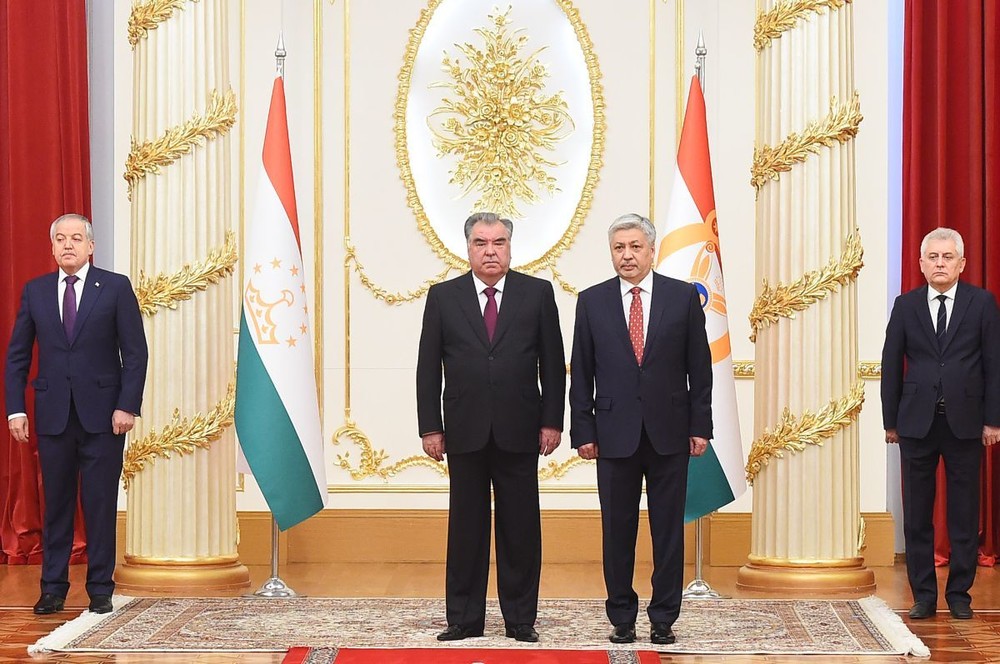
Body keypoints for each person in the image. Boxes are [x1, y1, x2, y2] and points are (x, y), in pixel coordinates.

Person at [416, 211, 565, 643]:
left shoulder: (537, 294)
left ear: (510, 247)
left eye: (498, 242)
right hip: (464, 430)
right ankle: (463, 619)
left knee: (520, 528)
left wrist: (551, 421)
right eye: (481, 243)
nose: (490, 251)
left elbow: (553, 364)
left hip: (521, 429)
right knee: (466, 528)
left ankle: (520, 618)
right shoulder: (443, 297)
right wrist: (430, 427)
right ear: (467, 248)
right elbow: (428, 367)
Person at [569, 213, 712, 645]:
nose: (627, 255)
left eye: (635, 247)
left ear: (652, 250)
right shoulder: (591, 301)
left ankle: (664, 617)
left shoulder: (682, 297)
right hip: (613, 434)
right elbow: (582, 372)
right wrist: (583, 430)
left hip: (670, 432)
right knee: (617, 530)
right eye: (619, 248)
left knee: (667, 531)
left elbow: (700, 369)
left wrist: (700, 426)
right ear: (611, 253)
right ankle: (622, 616)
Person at [5, 214, 148, 615]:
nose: (68, 245)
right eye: (61, 239)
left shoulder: (115, 288)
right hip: (53, 416)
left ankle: (100, 588)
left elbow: (135, 353)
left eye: (77, 238)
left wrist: (127, 405)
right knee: (57, 505)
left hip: (104, 418)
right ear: (52, 247)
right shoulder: (35, 291)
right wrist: (15, 409)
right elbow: (17, 357)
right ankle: (52, 589)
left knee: (99, 503)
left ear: (91, 246)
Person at [881, 227, 1000, 621]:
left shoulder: (981, 303)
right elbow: (891, 364)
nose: (940, 263)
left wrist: (993, 420)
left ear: (961, 263)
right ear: (921, 263)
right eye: (933, 257)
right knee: (917, 515)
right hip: (916, 424)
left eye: (948, 257)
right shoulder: (905, 305)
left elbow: (994, 364)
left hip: (966, 423)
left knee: (963, 514)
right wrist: (890, 421)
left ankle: (960, 595)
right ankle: (924, 596)